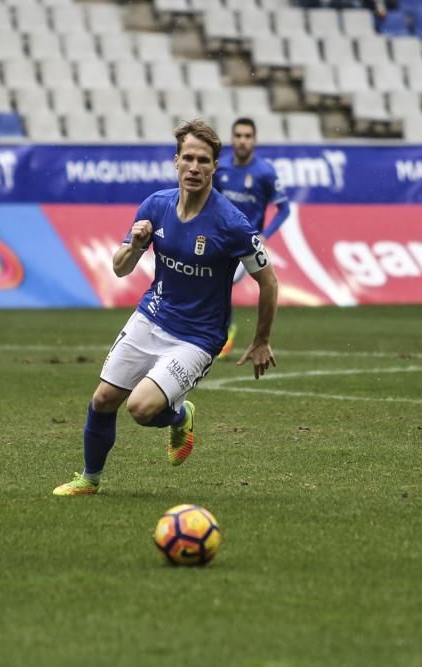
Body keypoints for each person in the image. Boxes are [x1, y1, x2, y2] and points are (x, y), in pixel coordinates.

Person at [52, 119, 279, 497]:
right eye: (187, 158)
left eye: (203, 160)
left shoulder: (232, 224)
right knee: (103, 399)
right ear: (176, 161)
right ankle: (89, 479)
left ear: (214, 167)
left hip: (197, 337)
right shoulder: (155, 206)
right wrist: (136, 244)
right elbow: (120, 268)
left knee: (140, 409)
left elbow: (268, 281)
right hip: (152, 316)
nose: (194, 167)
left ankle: (180, 415)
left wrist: (261, 340)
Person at [213, 117, 290, 358]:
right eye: (238, 136)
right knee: (213, 281)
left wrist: (265, 236)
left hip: (246, 243)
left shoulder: (265, 172)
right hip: (219, 238)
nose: (242, 141)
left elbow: (284, 209)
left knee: (224, 281)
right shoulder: (221, 168)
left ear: (254, 140)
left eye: (247, 136)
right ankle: (218, 328)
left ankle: (225, 328)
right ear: (232, 139)